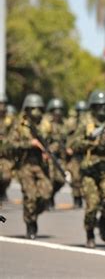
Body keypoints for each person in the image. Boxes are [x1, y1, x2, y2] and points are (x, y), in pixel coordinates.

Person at [67, 90, 105, 248]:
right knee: (92, 205)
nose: (102, 109)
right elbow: (74, 144)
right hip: (89, 170)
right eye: (99, 106)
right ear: (93, 107)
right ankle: (90, 234)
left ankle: (102, 221)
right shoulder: (85, 122)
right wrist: (93, 143)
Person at [7, 93, 53, 239]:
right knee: (30, 196)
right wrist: (29, 144)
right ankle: (30, 224)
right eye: (32, 108)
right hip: (25, 164)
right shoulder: (20, 126)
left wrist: (49, 151)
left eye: (38, 108)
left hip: (41, 165)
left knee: (46, 194)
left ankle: (33, 214)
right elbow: (10, 145)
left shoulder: (46, 126)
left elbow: (56, 141)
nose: (36, 112)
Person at [44, 98, 68, 209]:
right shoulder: (46, 123)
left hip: (61, 156)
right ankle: (48, 199)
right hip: (49, 155)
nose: (58, 113)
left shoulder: (64, 124)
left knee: (61, 180)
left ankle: (52, 194)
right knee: (50, 178)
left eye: (59, 110)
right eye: (55, 110)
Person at [65, 100, 88, 208]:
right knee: (75, 177)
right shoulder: (72, 124)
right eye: (80, 111)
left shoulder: (88, 123)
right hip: (74, 154)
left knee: (85, 177)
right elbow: (66, 137)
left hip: (85, 153)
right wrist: (68, 148)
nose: (82, 114)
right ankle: (76, 199)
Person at [0, 96, 15, 202]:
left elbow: (14, 134)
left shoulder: (10, 119)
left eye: (3, 104)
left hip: (5, 153)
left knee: (6, 176)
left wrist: (5, 140)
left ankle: (2, 191)